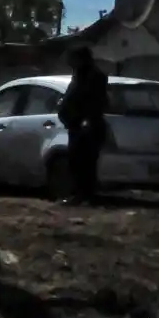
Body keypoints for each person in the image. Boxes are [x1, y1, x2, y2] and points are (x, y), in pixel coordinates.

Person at [58, 46, 109, 205]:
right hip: (76, 124)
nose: (70, 62)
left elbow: (94, 101)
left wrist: (86, 120)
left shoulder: (93, 76)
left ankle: (85, 196)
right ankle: (80, 195)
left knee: (85, 162)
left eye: (72, 58)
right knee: (76, 161)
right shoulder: (79, 75)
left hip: (87, 125)